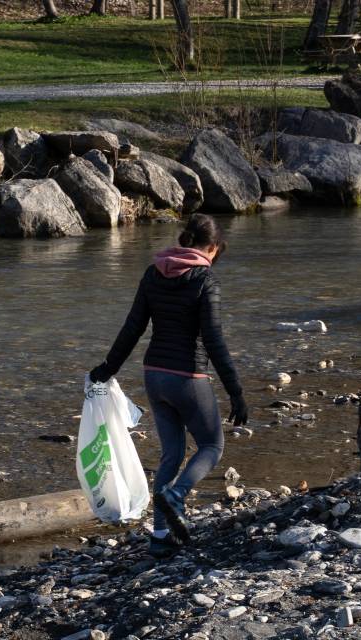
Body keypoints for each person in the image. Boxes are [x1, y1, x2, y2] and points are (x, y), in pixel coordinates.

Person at [89, 213, 248, 558]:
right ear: (213, 247)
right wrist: (235, 391)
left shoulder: (154, 272)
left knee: (172, 454)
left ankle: (161, 535)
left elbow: (133, 327)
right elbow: (214, 340)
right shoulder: (205, 280)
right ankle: (177, 495)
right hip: (188, 377)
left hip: (154, 375)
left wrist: (107, 368)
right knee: (211, 445)